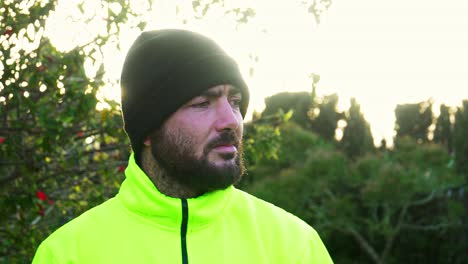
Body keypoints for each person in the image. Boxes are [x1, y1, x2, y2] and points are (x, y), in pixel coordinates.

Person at [32, 29, 333, 264]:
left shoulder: (294, 246)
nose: (232, 121)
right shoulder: (67, 254)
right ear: (148, 129)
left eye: (235, 101)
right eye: (203, 103)